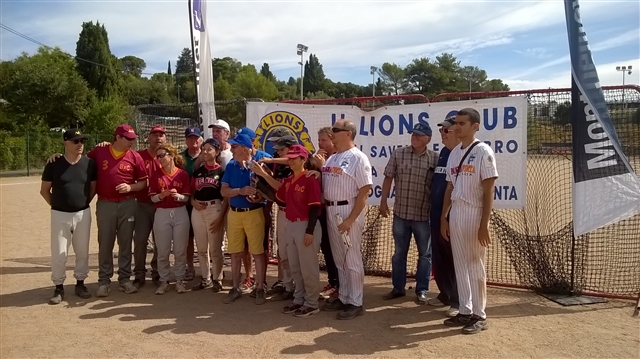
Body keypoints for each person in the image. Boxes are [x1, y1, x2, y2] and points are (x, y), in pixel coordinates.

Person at [441, 108, 498, 334]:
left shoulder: (483, 151)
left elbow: (489, 189)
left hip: (474, 212)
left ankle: (479, 314)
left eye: (462, 123)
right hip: (456, 212)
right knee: (460, 264)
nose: (457, 127)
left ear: (475, 126)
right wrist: (445, 217)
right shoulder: (454, 153)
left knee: (475, 264)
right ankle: (464, 310)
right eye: (456, 123)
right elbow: (449, 186)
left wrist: (484, 223)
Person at [250, 144, 323, 317]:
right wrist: (263, 176)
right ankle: (299, 298)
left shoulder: (310, 179)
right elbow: (278, 195)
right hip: (291, 224)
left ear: (303, 160)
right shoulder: (290, 180)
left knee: (308, 267)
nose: (290, 161)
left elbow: (315, 207)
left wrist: (310, 231)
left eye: (294, 158)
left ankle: (312, 303)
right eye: (289, 158)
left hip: (306, 225)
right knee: (295, 266)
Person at [379, 122, 438, 305]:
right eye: (413, 133)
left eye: (419, 135)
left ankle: (422, 290)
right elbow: (388, 177)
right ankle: (398, 288)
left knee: (425, 255)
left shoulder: (435, 159)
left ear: (428, 139)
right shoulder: (399, 153)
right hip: (401, 214)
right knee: (399, 253)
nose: (414, 137)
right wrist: (383, 201)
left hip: (423, 215)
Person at [321, 119, 372, 320]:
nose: (332, 132)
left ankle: (356, 302)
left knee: (352, 258)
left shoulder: (358, 158)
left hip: (347, 209)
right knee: (339, 258)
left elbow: (365, 191)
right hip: (331, 209)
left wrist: (351, 219)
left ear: (348, 133)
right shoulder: (333, 158)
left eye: (336, 129)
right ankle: (344, 296)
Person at [88, 124, 147, 297]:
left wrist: (130, 187)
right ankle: (104, 281)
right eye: (128, 138)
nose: (132, 141)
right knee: (105, 242)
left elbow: (144, 183)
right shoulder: (100, 151)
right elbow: (79, 161)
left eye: (133, 139)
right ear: (118, 137)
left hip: (128, 203)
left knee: (126, 242)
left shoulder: (135, 157)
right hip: (105, 203)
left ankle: (124, 279)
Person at [40, 129, 97, 304]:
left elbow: (93, 188)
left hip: (82, 213)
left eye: (82, 141)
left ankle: (80, 283)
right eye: (75, 141)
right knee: (59, 252)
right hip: (59, 214)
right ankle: (58, 287)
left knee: (82, 251)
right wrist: (57, 205)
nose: (80, 144)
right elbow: (44, 191)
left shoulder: (89, 163)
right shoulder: (54, 163)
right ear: (65, 143)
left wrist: (82, 203)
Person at [220, 133, 270, 305]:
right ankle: (235, 288)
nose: (231, 149)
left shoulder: (257, 165)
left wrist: (259, 197)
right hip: (234, 213)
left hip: (254, 212)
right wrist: (239, 191)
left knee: (257, 252)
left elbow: (269, 191)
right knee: (235, 253)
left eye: (234, 146)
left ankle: (260, 288)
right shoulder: (232, 165)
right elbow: (224, 191)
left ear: (244, 148)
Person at [258, 133, 298, 301]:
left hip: (295, 214)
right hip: (281, 211)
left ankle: (298, 288)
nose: (278, 153)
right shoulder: (278, 163)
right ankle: (287, 285)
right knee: (283, 251)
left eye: (281, 149)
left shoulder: (299, 162)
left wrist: (266, 167)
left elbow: (283, 188)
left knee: (293, 252)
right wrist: (268, 172)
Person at [429, 116, 461, 317]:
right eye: (441, 130)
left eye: (446, 130)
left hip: (451, 215)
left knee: (456, 258)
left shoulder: (462, 154)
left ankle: (458, 300)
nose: (443, 134)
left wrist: (446, 215)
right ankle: (445, 293)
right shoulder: (443, 152)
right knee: (439, 258)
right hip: (435, 213)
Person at [150, 144, 192, 295]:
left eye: (162, 155)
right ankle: (164, 280)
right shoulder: (156, 175)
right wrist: (162, 195)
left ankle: (180, 280)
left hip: (180, 211)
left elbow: (186, 197)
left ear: (172, 155)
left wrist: (178, 196)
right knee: (163, 250)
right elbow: (153, 199)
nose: (159, 159)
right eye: (158, 156)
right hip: (162, 212)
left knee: (180, 249)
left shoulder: (182, 174)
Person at [190, 138, 228, 292]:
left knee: (215, 248)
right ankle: (205, 278)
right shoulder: (198, 171)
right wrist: (193, 202)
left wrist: (221, 218)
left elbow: (225, 198)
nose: (205, 152)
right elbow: (191, 193)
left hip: (215, 208)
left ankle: (217, 278)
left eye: (209, 149)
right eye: (204, 149)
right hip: (198, 210)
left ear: (217, 152)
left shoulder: (222, 171)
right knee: (200, 248)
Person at [133, 125, 167, 288]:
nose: (158, 138)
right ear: (149, 137)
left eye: (161, 135)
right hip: (142, 203)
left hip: (162, 205)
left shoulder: (168, 157)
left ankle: (157, 271)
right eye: (155, 134)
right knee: (140, 239)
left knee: (160, 241)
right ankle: (139, 273)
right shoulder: (139, 156)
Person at [312, 126, 340, 300]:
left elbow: (333, 183)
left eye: (324, 140)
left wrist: (322, 167)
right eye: (319, 140)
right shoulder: (317, 158)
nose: (320, 143)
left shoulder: (338, 158)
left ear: (332, 140)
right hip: (321, 208)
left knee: (337, 248)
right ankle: (333, 280)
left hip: (336, 208)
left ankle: (340, 284)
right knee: (326, 247)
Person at [182, 126, 202, 282]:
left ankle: (209, 268)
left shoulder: (208, 154)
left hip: (205, 201)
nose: (193, 140)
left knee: (207, 237)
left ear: (200, 140)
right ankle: (190, 267)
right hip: (186, 201)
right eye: (190, 138)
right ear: (186, 140)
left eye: (196, 138)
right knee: (188, 237)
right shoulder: (180, 158)